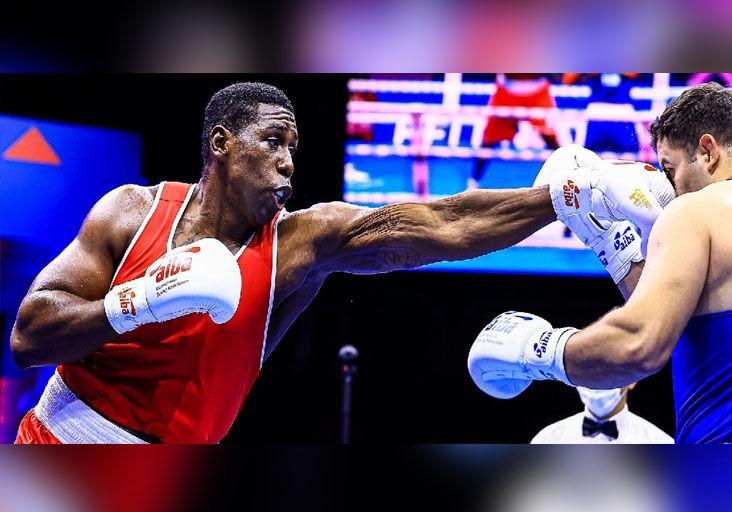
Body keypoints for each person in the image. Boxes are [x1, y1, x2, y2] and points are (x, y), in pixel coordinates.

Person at [10, 81, 626, 444]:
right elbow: (29, 336)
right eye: (273, 141)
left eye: (294, 148)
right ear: (222, 144)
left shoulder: (301, 242)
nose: (288, 162)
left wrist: (561, 199)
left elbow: (444, 222)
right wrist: (138, 301)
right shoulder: (132, 212)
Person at [467, 82, 732, 444]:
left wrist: (538, 349)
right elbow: (690, 323)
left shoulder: (696, 209)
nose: (671, 189)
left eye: (669, 170)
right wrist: (613, 245)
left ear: (707, 152)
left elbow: (640, 344)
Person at [531, 383, 674, 444]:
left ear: (633, 378)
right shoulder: (547, 439)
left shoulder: (662, 444)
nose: (598, 379)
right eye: (587, 369)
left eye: (609, 369)